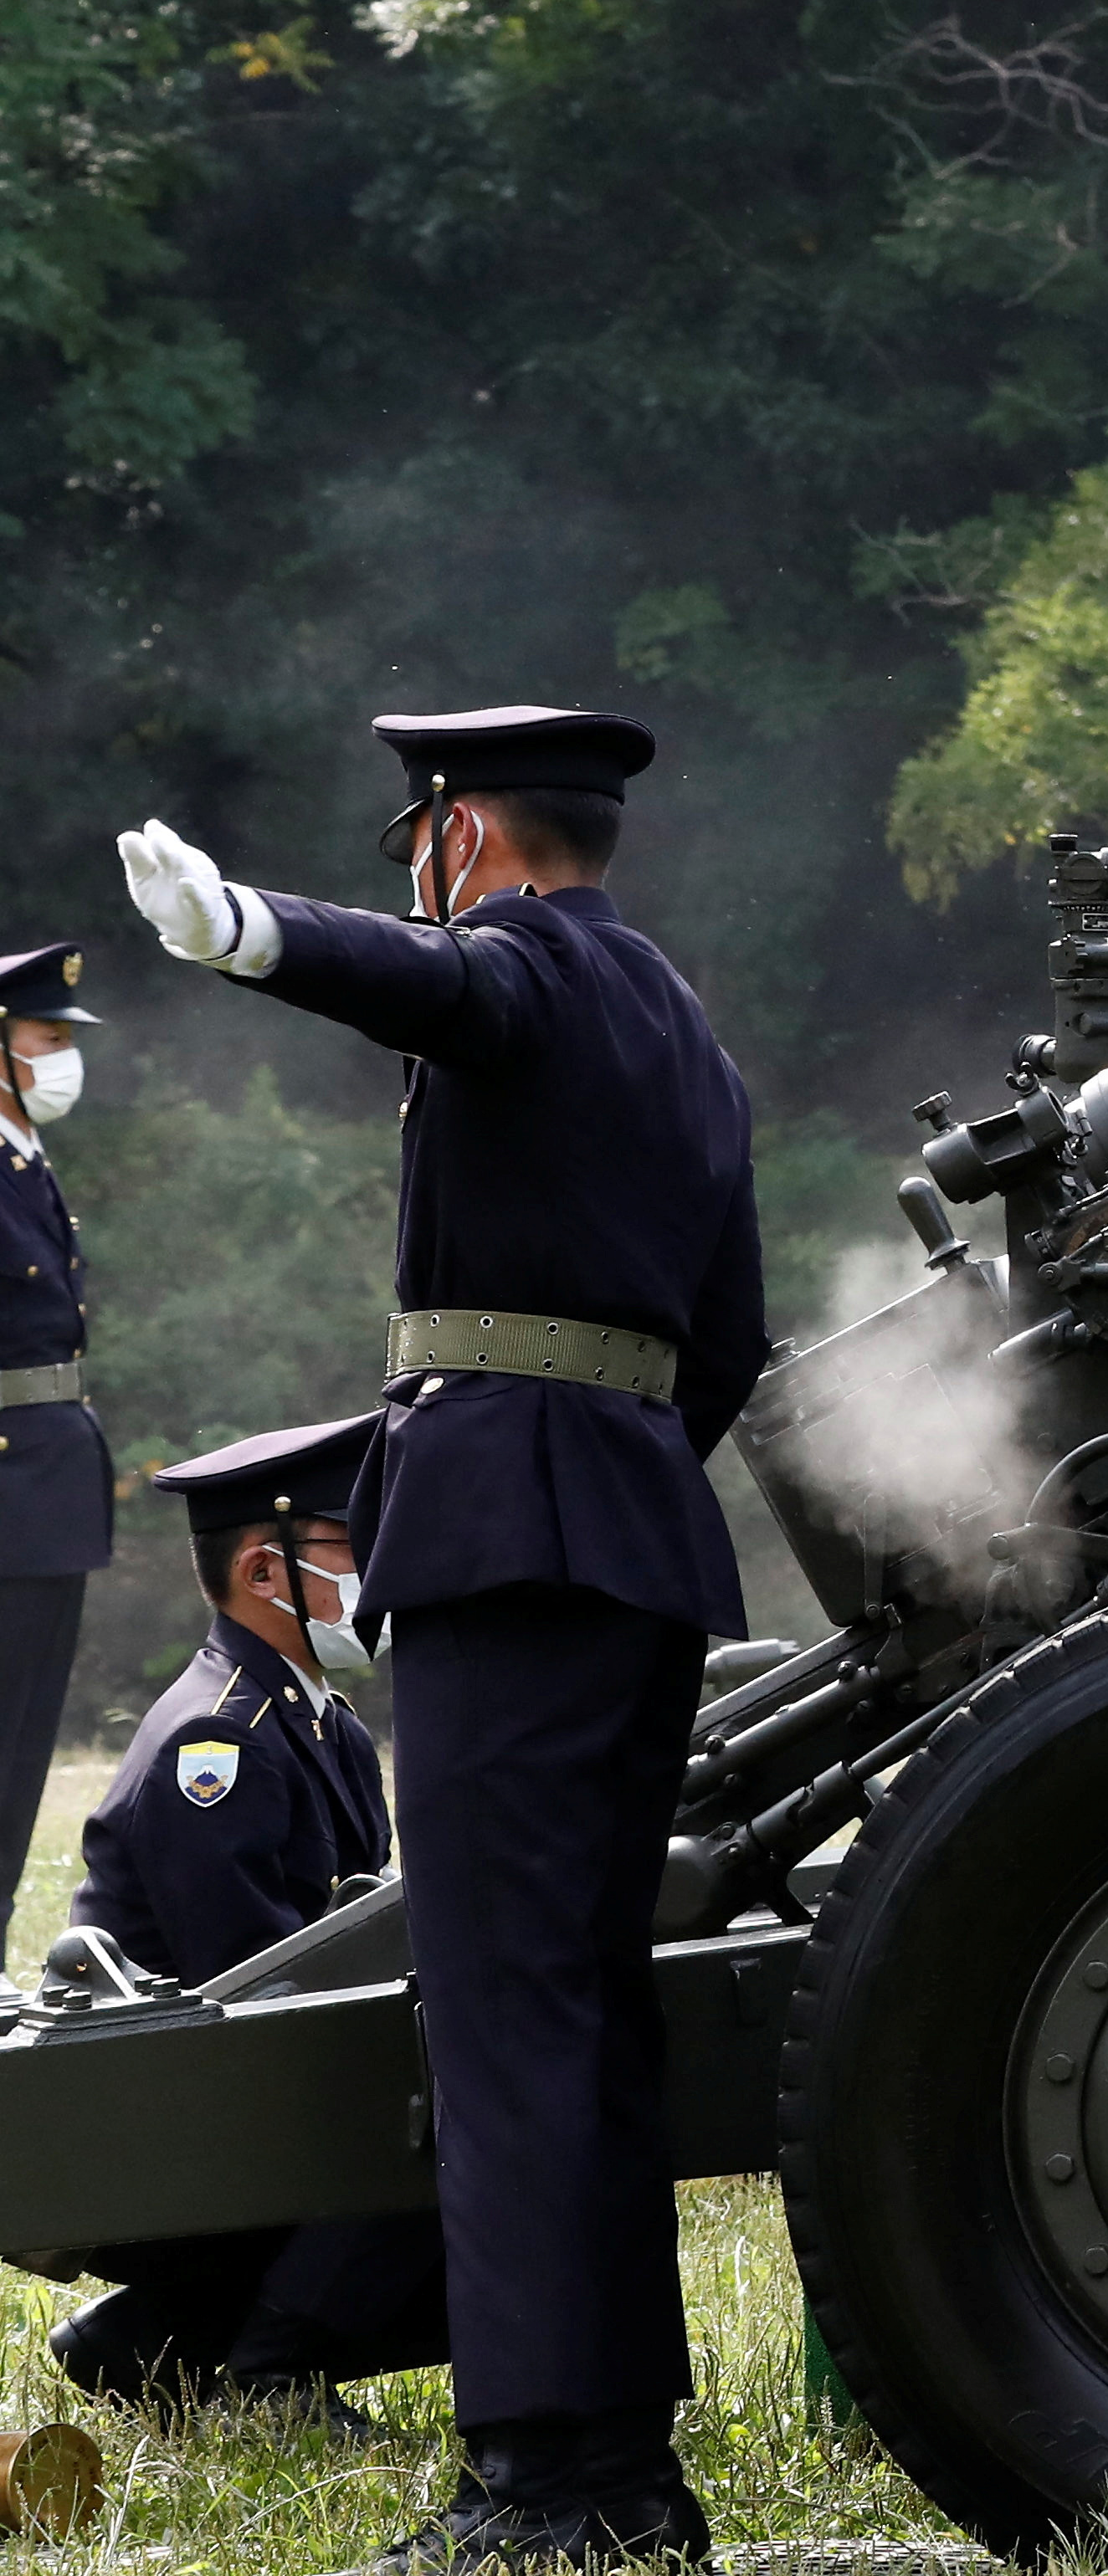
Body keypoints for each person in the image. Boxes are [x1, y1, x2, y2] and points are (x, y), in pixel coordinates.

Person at [115, 708, 763, 2573]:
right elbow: (720, 1339)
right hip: (633, 1537)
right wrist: (611, 1473)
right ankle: (619, 2470)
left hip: (510, 1544)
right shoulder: (687, 1035)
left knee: (503, 2020)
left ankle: (549, 2483)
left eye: (423, 837)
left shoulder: (528, 972)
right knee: (587, 2011)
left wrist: (246, 929)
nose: (423, 869)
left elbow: (429, 989)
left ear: (466, 835)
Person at [44, 1412, 449, 2419]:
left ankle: (154, 2339)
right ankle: (273, 2371)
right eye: (348, 1545)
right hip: (177, 2127)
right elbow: (268, 1993)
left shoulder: (318, 1721)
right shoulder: (215, 1746)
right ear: (268, 1574)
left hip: (232, 2096)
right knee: (442, 2112)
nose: (375, 1567)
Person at [0, 939, 109, 1943]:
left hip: (44, 1486)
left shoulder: (25, 1159)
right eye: (44, 1038)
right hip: (9, 1488)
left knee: (23, 1740)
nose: (62, 1055)